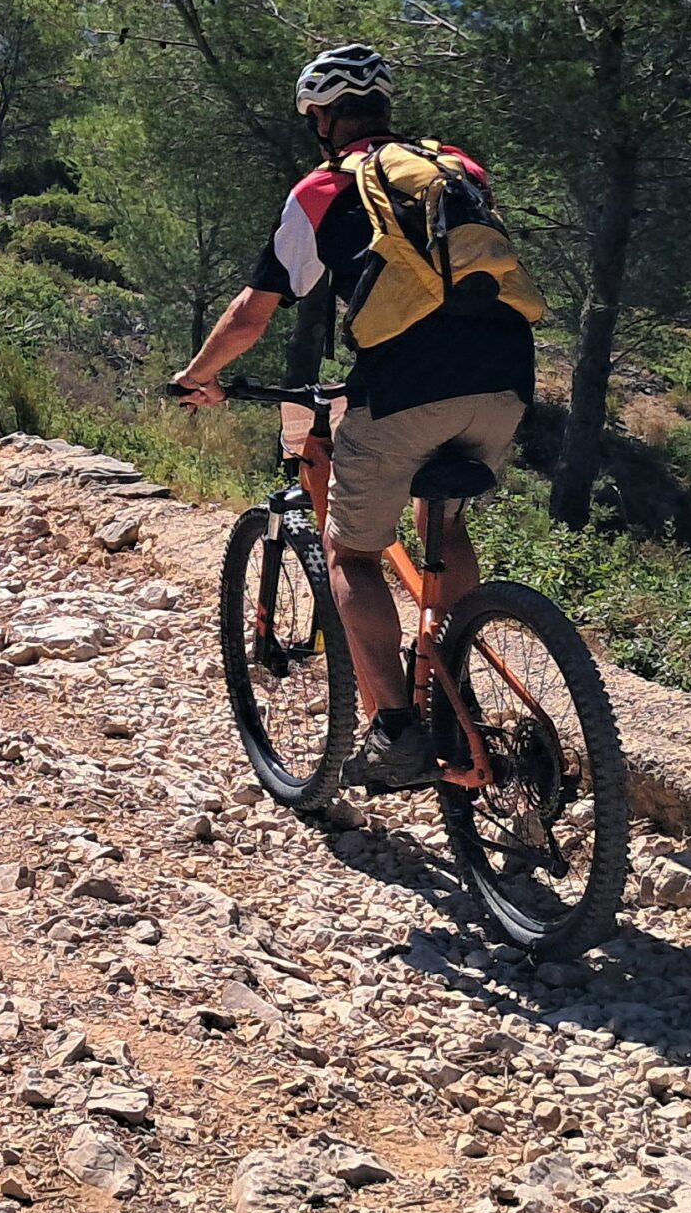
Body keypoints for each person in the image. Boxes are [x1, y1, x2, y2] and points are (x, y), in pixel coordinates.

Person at [172, 44, 535, 786]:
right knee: (448, 521)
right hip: (508, 374)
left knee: (353, 555)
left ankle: (398, 731)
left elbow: (253, 313)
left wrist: (196, 376)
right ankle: (452, 664)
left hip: (407, 383)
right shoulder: (457, 168)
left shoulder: (323, 189)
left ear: (324, 119)